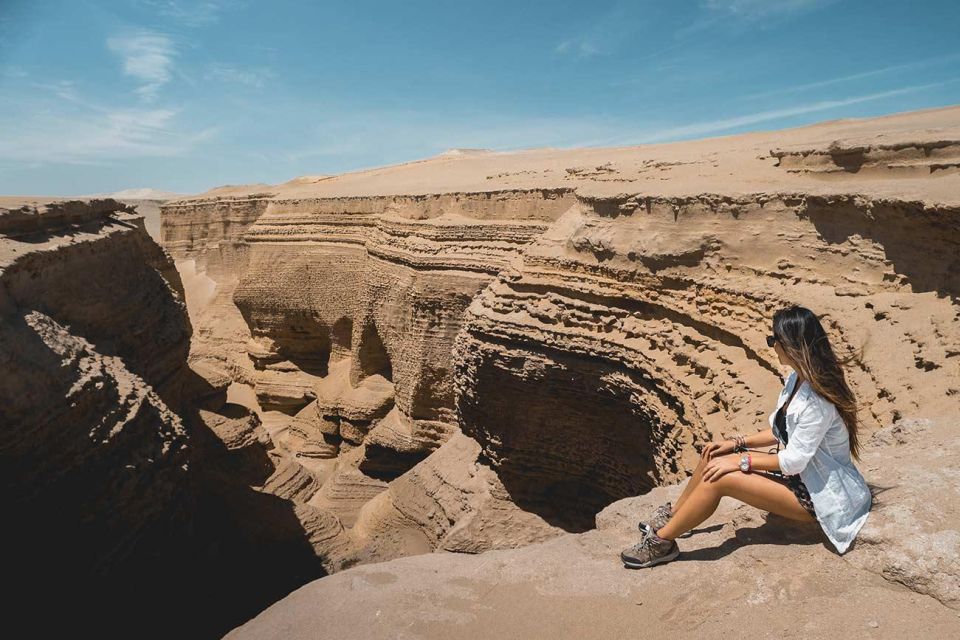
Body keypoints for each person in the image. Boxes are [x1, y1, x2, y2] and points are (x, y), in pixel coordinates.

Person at [620, 305, 872, 568]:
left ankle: (661, 543)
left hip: (816, 495)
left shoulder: (817, 402)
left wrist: (741, 460)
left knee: (722, 478)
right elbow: (781, 431)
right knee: (714, 456)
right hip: (801, 478)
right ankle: (676, 517)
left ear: (791, 345)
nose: (771, 345)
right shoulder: (798, 379)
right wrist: (736, 445)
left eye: (773, 339)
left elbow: (794, 460)